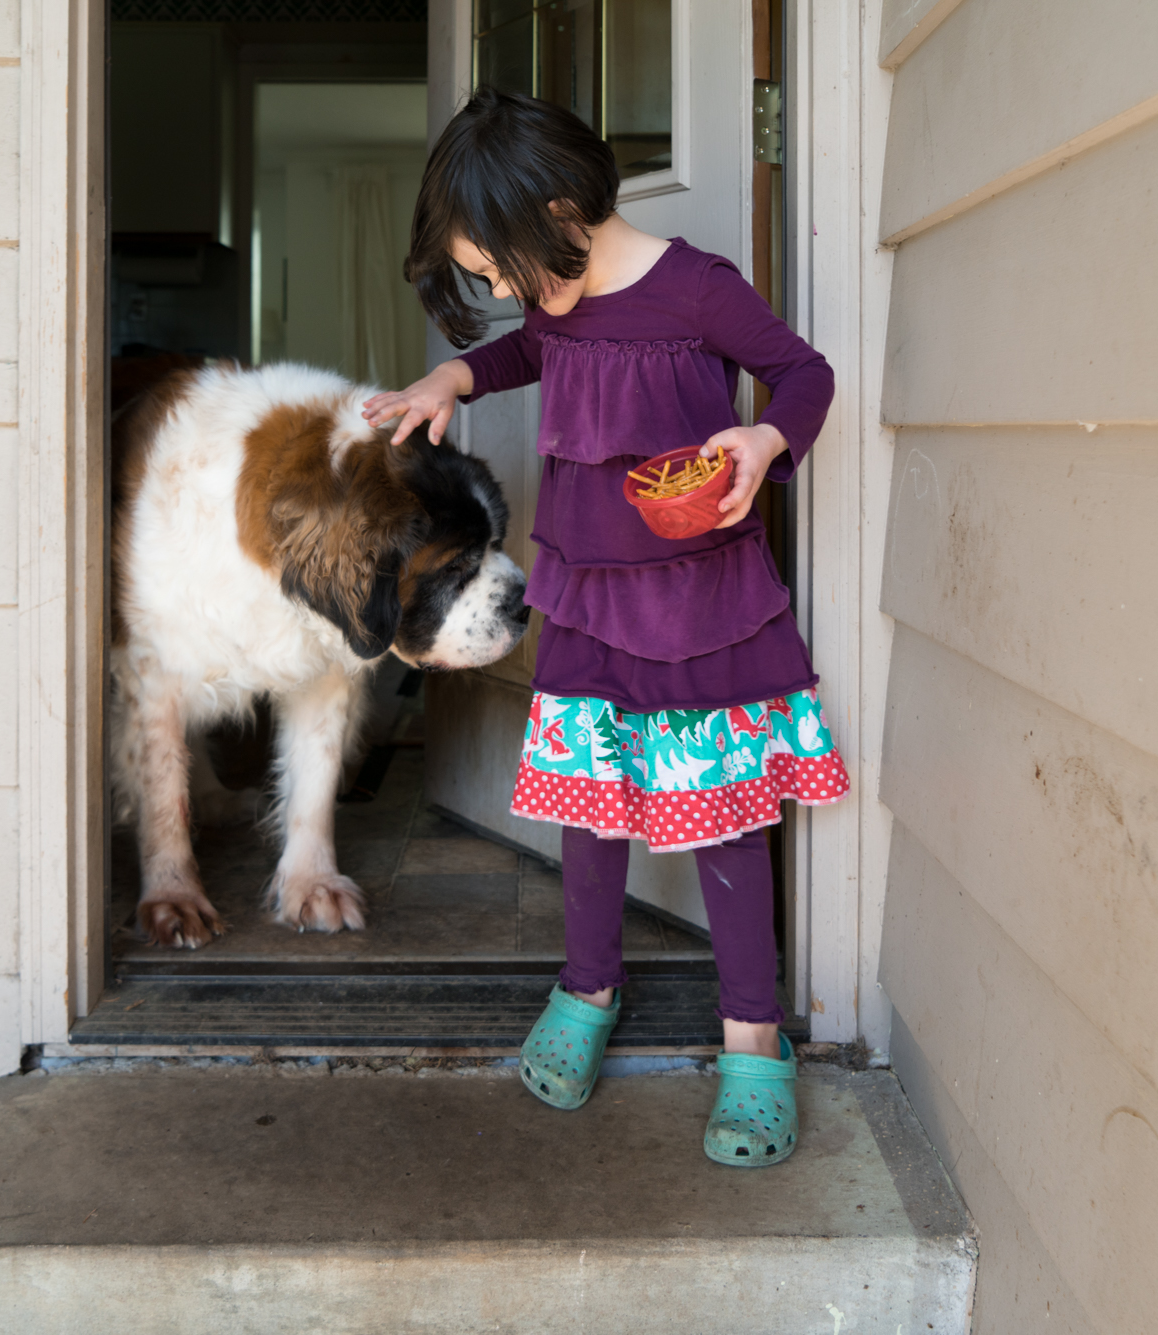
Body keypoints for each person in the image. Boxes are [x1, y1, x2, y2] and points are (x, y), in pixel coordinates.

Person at [362, 88, 849, 1168]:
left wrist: (766, 443)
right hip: (587, 597)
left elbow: (803, 375)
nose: (497, 292)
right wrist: (452, 372)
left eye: (496, 268)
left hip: (697, 605)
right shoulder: (553, 300)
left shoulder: (695, 291)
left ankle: (752, 1041)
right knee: (589, 814)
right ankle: (586, 989)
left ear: (560, 208)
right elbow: (525, 353)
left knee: (723, 825)